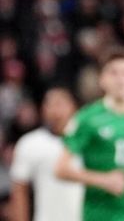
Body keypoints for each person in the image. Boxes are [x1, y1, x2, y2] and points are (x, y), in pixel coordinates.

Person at [55, 48, 124, 221]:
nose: (121, 79)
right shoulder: (88, 118)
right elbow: (61, 169)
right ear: (102, 79)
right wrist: (103, 180)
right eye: (114, 73)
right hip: (99, 214)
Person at [9, 87, 83, 221]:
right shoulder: (29, 143)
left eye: (60, 103)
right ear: (43, 109)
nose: (56, 110)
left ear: (74, 107)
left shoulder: (90, 142)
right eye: (50, 104)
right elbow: (19, 190)